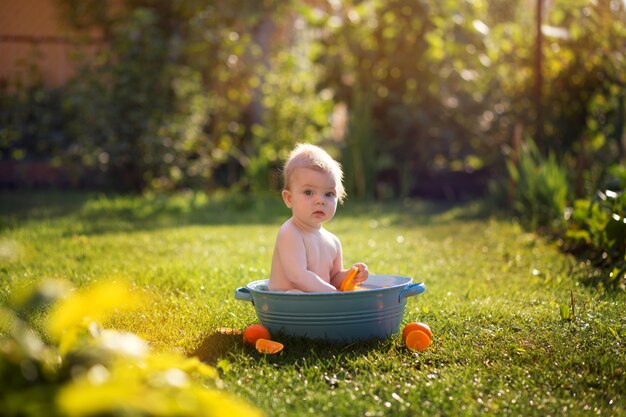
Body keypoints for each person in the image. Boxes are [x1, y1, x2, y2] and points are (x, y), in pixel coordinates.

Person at [268, 143, 368, 292]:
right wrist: (332, 294)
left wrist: (350, 275)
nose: (320, 201)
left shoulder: (333, 242)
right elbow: (297, 276)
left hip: (318, 304)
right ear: (289, 199)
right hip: (284, 305)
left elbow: (333, 279)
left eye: (328, 194)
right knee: (295, 294)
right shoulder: (290, 232)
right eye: (308, 192)